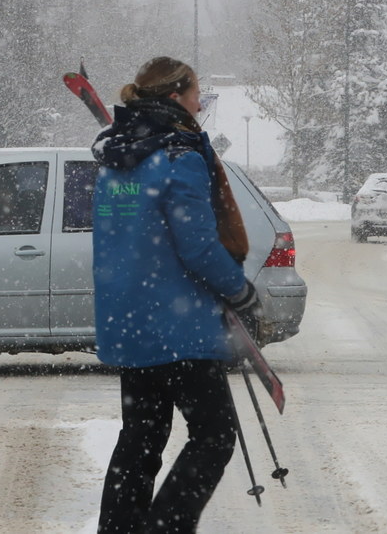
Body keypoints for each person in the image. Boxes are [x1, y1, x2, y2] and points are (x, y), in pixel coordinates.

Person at [91, 56, 260, 534]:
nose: (199, 103)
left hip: (129, 322)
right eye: (195, 94)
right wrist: (240, 291)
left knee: (141, 438)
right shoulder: (181, 157)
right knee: (214, 435)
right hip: (178, 325)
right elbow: (199, 245)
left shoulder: (116, 158)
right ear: (174, 98)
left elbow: (118, 240)